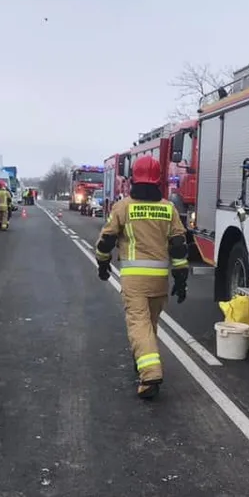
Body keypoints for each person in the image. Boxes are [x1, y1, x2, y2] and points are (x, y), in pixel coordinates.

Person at [94, 155, 189, 400]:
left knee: (138, 324)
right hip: (159, 280)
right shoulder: (169, 209)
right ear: (158, 179)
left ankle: (150, 375)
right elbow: (179, 246)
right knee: (150, 325)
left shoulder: (123, 207)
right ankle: (143, 362)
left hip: (135, 279)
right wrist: (180, 279)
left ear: (134, 177)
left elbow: (106, 241)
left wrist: (103, 264)